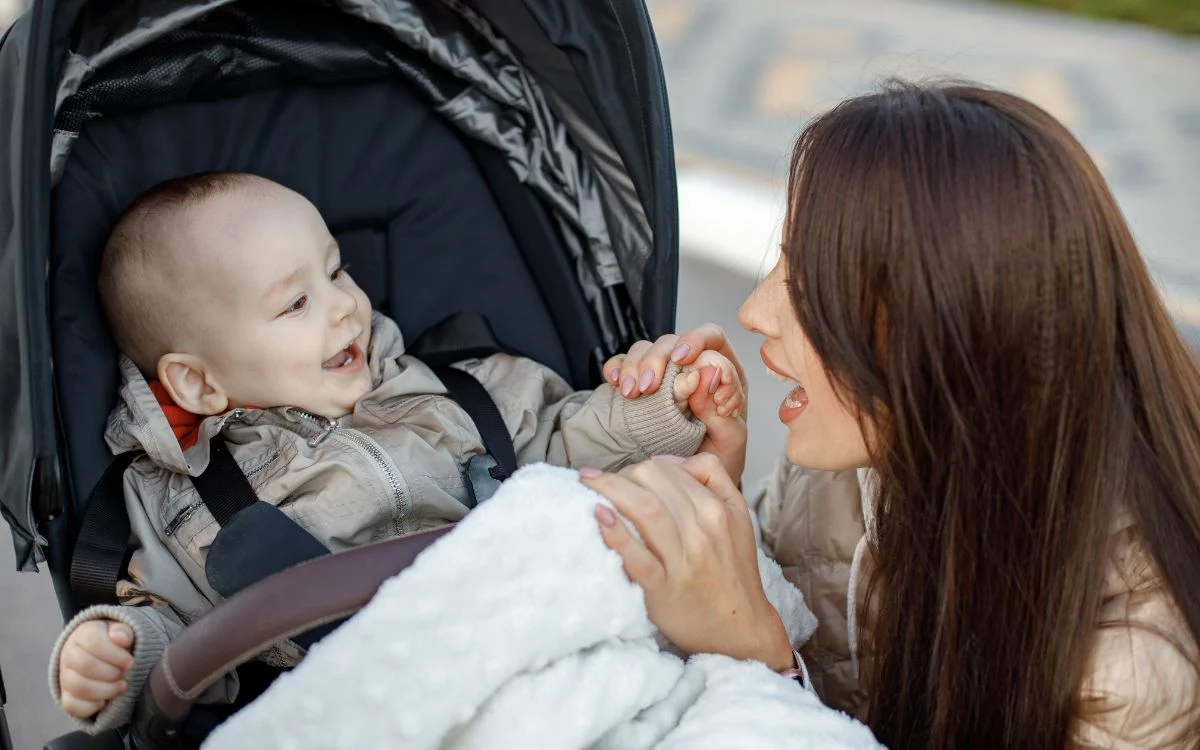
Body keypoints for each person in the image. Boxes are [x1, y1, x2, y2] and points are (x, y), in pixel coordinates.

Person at [583, 82, 1200, 749]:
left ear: (947, 334)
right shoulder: (852, 472)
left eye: (810, 284)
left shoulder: (1134, 679)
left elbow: (759, 643)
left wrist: (762, 669)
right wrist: (716, 493)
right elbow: (751, 605)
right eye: (782, 262)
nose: (754, 312)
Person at [49, 172, 749, 734]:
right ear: (198, 382)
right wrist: (119, 650)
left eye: (336, 271)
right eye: (296, 304)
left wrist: (664, 408)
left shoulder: (452, 392)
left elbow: (560, 441)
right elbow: (170, 625)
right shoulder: (187, 502)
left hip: (534, 635)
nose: (345, 306)